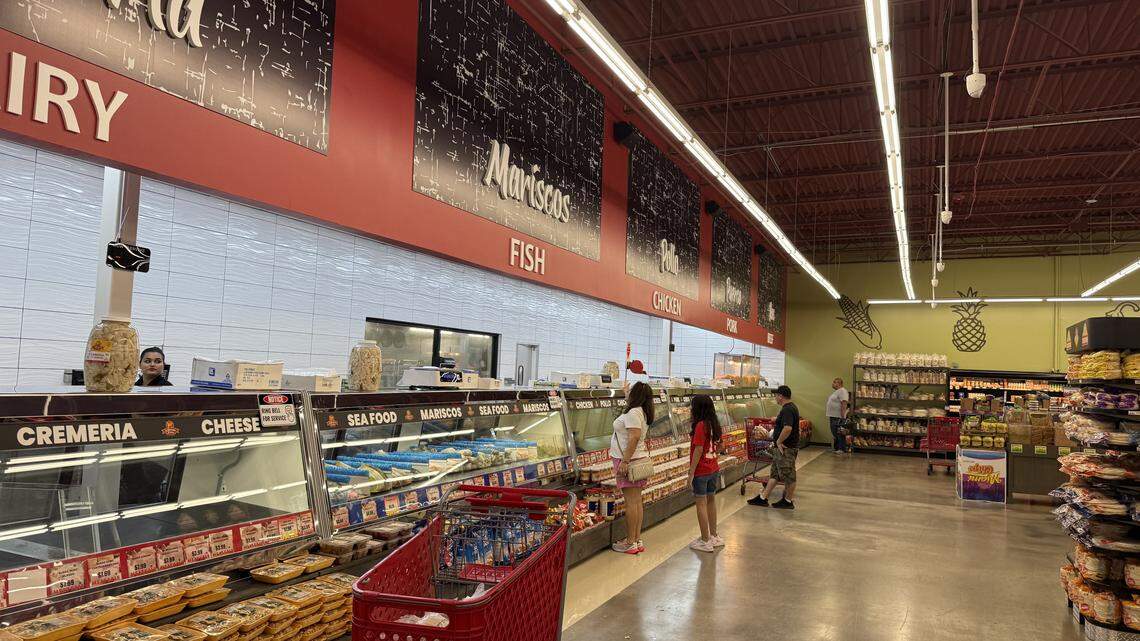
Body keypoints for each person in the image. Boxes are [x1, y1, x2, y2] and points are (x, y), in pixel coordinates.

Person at [610, 381, 654, 554]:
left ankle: (629, 542)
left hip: (629, 462)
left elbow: (634, 437)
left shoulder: (633, 413)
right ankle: (636, 540)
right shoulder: (642, 411)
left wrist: (625, 462)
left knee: (631, 503)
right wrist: (626, 392)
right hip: (639, 460)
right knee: (637, 502)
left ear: (636, 396)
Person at [748, 385, 799, 509]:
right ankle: (763, 498)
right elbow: (786, 423)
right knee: (775, 475)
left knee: (789, 476)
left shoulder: (787, 409)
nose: (775, 397)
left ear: (781, 396)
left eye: (776, 395)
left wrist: (779, 441)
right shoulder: (789, 408)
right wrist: (777, 419)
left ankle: (788, 501)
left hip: (786, 448)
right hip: (783, 448)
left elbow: (788, 428)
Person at [687, 394, 723, 553]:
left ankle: (705, 540)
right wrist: (714, 455)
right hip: (713, 468)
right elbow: (721, 445)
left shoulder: (701, 425)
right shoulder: (714, 423)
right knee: (711, 501)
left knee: (700, 503)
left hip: (701, 470)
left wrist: (691, 472)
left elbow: (699, 449)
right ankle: (714, 536)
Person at [826, 377, 850, 453]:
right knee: (835, 432)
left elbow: (844, 403)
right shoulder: (837, 391)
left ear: (839, 384)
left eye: (834, 382)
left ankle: (841, 449)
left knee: (839, 432)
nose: (832, 383)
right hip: (833, 415)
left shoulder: (842, 391)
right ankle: (837, 448)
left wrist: (843, 416)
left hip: (838, 416)